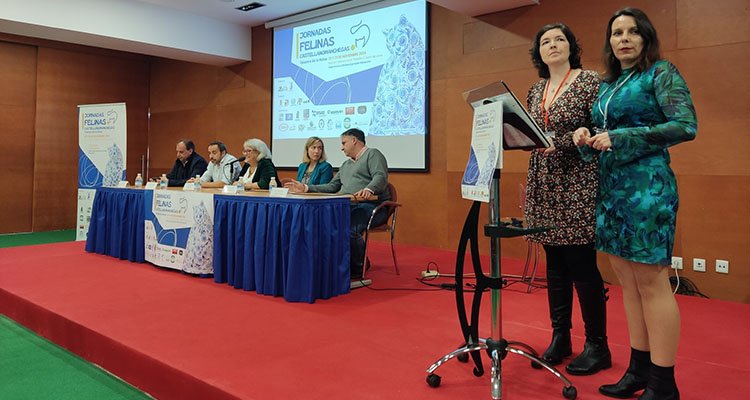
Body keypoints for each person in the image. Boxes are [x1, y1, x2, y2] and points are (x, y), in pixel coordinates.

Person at [572, 8, 697, 400]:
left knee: (651, 282)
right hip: (611, 190)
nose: (623, 38)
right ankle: (639, 369)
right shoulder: (609, 84)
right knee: (626, 281)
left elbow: (685, 125)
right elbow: (606, 134)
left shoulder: (661, 72)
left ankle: (664, 381)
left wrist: (621, 137)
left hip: (647, 189)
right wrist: (587, 136)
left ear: (645, 37)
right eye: (616, 33)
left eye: (631, 31)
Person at [524, 23, 611, 376]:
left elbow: (601, 124)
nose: (553, 44)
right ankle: (561, 337)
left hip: (577, 181)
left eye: (560, 39)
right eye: (545, 41)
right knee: (554, 265)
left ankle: (597, 345)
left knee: (581, 265)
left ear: (571, 46)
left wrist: (585, 133)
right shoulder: (535, 89)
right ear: (539, 53)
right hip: (544, 181)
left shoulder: (590, 81)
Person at [285, 128, 390, 279]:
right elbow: (332, 186)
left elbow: (380, 176)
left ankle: (359, 267)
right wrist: (306, 188)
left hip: (373, 207)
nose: (341, 147)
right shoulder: (346, 165)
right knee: (324, 224)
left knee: (350, 229)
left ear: (354, 140)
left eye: (344, 143)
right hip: (349, 205)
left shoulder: (373, 154)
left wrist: (369, 188)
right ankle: (336, 264)